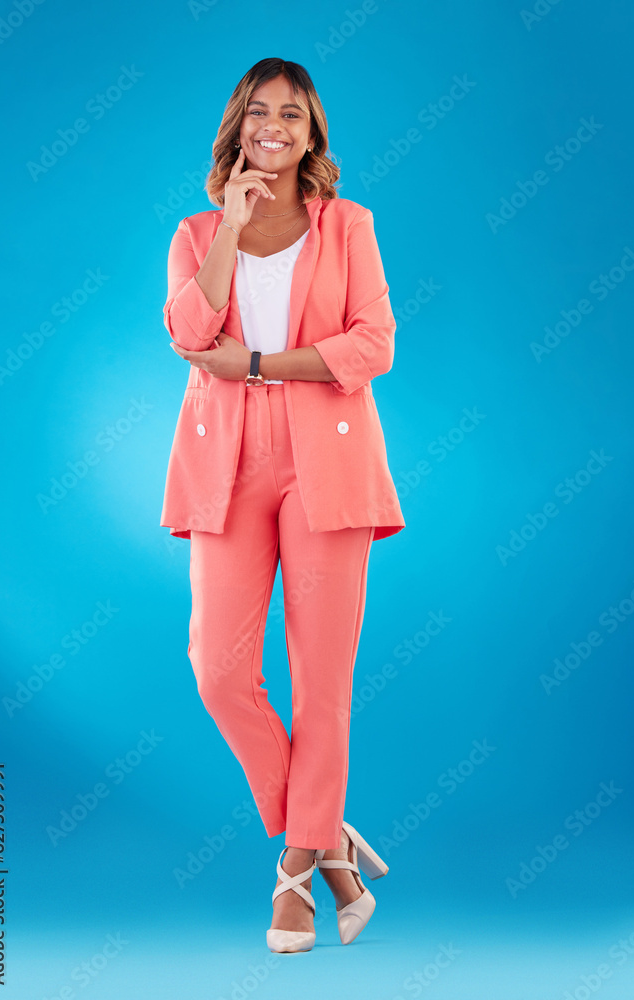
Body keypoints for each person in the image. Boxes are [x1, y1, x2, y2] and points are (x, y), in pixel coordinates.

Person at [160, 57, 405, 953]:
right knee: (218, 671)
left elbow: (373, 342)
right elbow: (190, 333)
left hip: (327, 458)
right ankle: (328, 829)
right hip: (226, 460)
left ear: (312, 133)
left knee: (321, 677)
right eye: (259, 112)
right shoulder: (196, 232)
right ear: (239, 127)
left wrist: (260, 365)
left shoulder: (349, 226)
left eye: (292, 115)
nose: (275, 126)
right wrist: (232, 223)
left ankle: (297, 873)